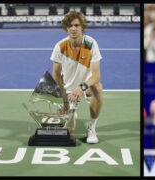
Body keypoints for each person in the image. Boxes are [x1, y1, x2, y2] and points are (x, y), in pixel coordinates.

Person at [50, 11, 103, 144]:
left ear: (82, 27)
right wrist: (63, 100)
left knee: (97, 88)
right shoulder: (60, 47)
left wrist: (81, 87)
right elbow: (56, 76)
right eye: (70, 26)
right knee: (69, 131)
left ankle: (91, 127)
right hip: (68, 89)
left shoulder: (91, 44)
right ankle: (71, 109)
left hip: (86, 85)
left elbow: (96, 76)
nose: (73, 28)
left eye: (76, 25)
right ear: (66, 28)